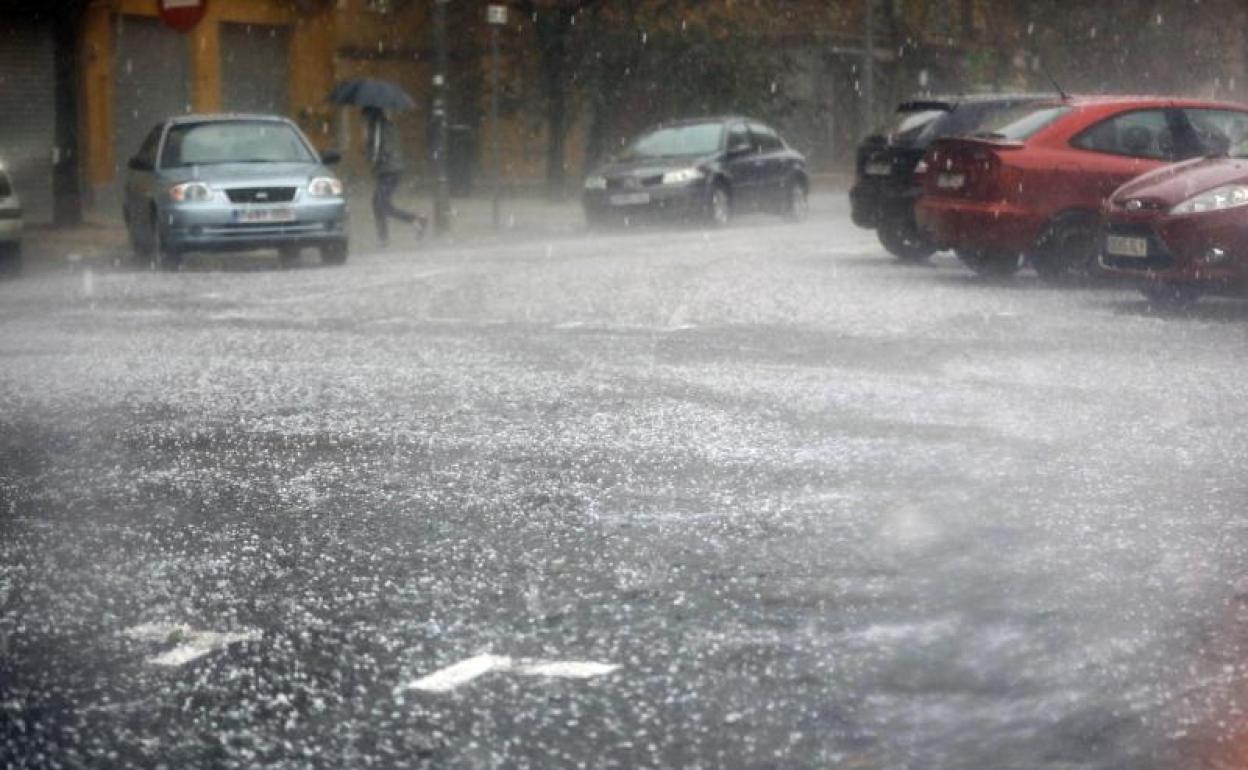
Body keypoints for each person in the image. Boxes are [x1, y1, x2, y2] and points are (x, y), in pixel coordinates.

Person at [363, 106, 427, 246]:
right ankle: (384, 237)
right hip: (391, 169)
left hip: (388, 170)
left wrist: (372, 159)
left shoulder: (378, 127)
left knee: (381, 204)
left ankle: (415, 219)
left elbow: (379, 149)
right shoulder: (385, 125)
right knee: (378, 203)